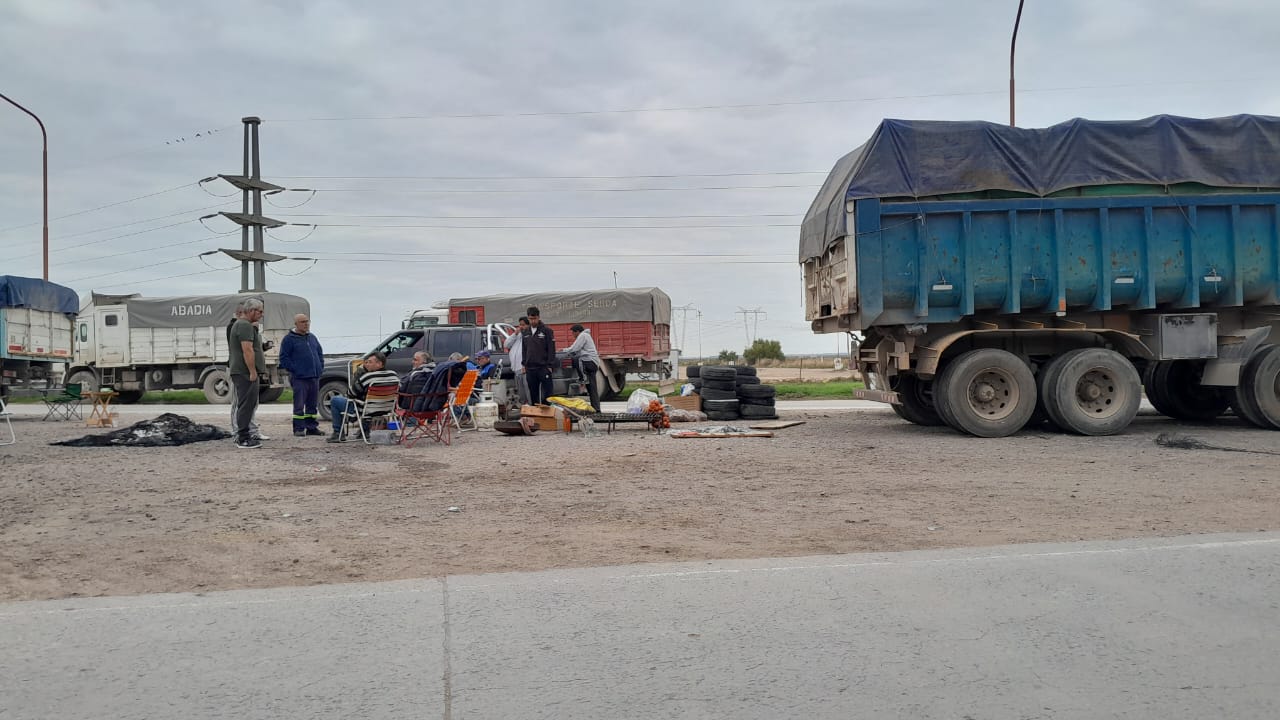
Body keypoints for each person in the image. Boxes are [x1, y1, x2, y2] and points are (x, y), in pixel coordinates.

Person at [327, 352, 398, 442]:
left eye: (370, 362)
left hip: (366, 410)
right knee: (365, 402)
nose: (367, 364)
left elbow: (351, 394)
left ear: (379, 364)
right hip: (386, 409)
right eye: (366, 362)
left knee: (335, 400)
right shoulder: (393, 375)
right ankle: (364, 431)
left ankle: (338, 433)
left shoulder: (368, 377)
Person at [278, 314, 325, 437]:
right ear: (296, 324)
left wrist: (320, 367)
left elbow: (319, 353)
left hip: (314, 377)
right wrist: (296, 370)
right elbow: (284, 358)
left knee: (312, 405)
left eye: (307, 321)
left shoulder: (312, 337)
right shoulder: (289, 339)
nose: (306, 324)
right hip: (299, 378)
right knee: (299, 405)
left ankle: (311, 427)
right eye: (303, 322)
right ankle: (299, 428)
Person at [229, 298, 266, 449]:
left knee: (248, 404)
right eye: (260, 311)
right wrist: (252, 371)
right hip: (244, 372)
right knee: (246, 405)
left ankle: (244, 435)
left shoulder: (244, 325)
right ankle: (243, 438)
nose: (262, 315)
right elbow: (247, 350)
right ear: (251, 311)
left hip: (243, 371)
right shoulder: (244, 325)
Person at [521, 306, 555, 405]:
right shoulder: (526, 332)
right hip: (530, 368)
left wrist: (550, 366)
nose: (533, 321)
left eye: (534, 318)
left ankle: (548, 413)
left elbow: (551, 349)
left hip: (543, 367)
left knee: (548, 394)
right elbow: (524, 350)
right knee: (533, 393)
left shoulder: (546, 331)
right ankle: (536, 414)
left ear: (538, 317)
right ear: (528, 318)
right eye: (530, 319)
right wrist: (524, 364)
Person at [566, 324, 602, 412]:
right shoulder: (586, 336)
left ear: (577, 331)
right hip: (593, 362)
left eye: (573, 333)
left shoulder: (583, 335)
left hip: (589, 362)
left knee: (575, 358)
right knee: (591, 387)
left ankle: (582, 378)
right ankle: (596, 408)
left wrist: (564, 351)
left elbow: (575, 348)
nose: (572, 335)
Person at [503, 316, 531, 406]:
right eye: (520, 325)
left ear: (528, 325)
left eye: (523, 325)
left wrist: (525, 365)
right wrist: (514, 334)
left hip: (525, 368)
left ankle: (530, 406)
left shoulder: (529, 335)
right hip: (516, 368)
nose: (521, 327)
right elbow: (506, 344)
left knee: (528, 389)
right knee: (520, 391)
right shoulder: (517, 336)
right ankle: (523, 406)